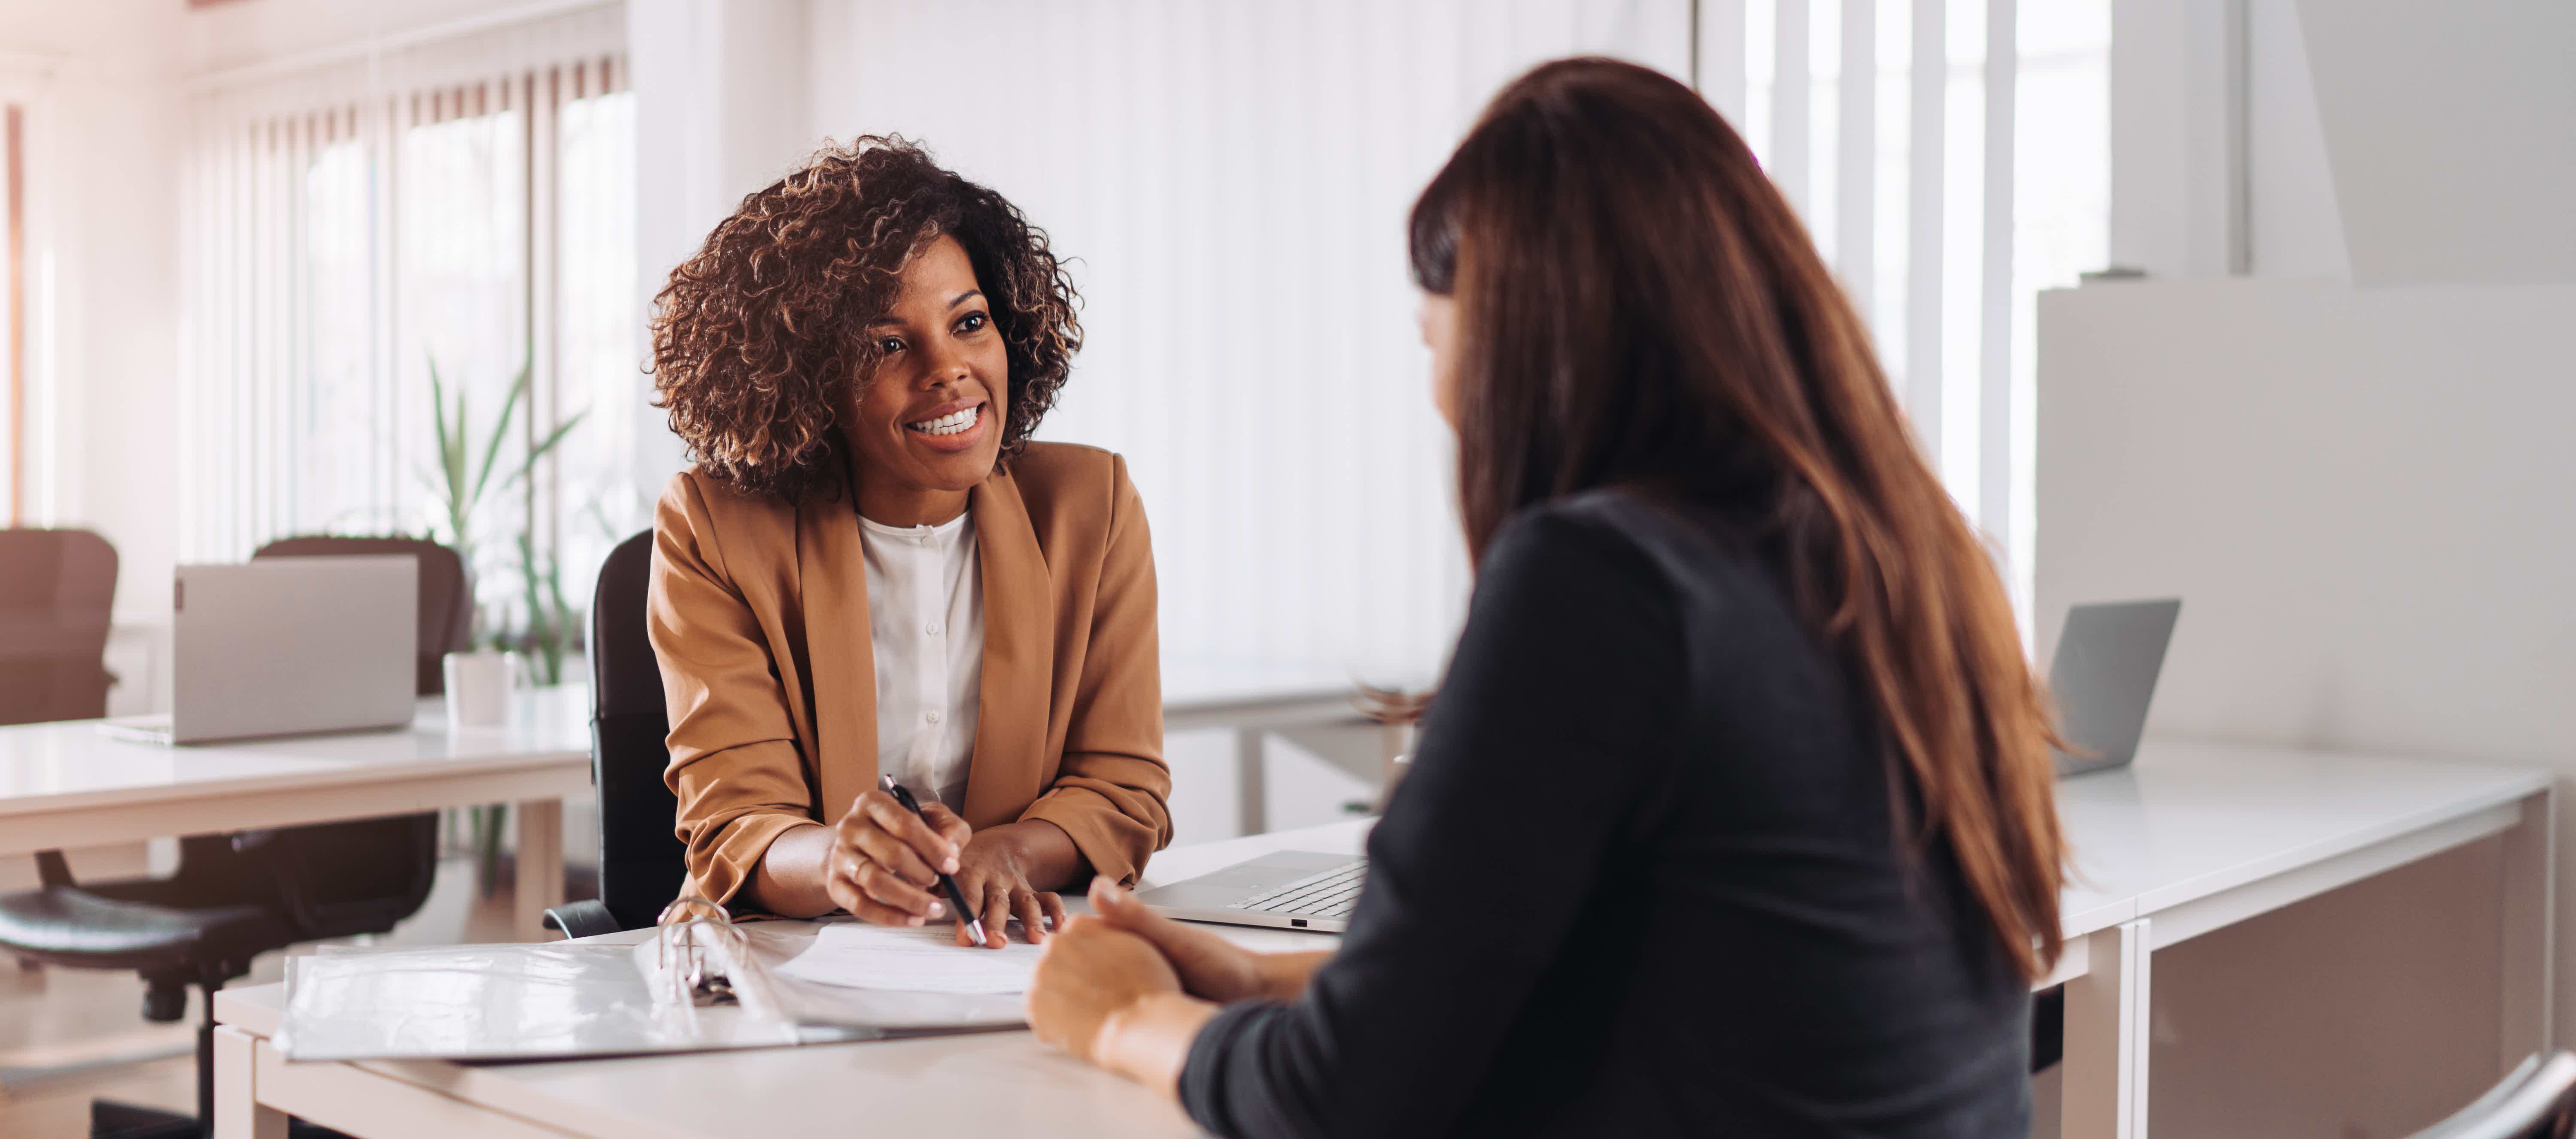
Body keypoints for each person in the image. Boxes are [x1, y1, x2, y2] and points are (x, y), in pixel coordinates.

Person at [1025, 57, 2066, 1135]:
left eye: (1435, 340)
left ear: (1524, 339)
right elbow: (1670, 979)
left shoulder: (1604, 583)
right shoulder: (1921, 562)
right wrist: (1255, 982)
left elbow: (1345, 1102)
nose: (1440, 402)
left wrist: (1126, 1017)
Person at [647, 137, 1169, 948]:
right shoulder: (714, 526)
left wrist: (1009, 853)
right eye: (888, 344)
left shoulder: (1089, 507)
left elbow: (1123, 787)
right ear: (810, 376)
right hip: (789, 970)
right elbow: (737, 821)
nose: (949, 369)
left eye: (969, 323)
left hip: (1009, 960)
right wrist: (837, 861)